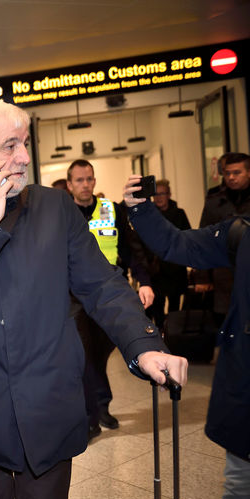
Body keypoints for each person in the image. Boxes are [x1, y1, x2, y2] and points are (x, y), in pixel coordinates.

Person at [0, 100, 188, 499]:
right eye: (10, 146)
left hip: (49, 403)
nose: (24, 156)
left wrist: (144, 344)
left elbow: (103, 284)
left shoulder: (55, 209)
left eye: (25, 143)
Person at [124, 174, 248, 499]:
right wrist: (140, 209)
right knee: (241, 487)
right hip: (245, 388)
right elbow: (177, 244)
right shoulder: (241, 233)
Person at [66, 159, 155, 437]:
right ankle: (91, 415)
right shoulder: (62, 216)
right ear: (69, 185)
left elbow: (131, 250)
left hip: (107, 294)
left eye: (89, 179)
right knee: (83, 356)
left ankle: (100, 406)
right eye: (79, 180)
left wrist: (144, 281)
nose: (85, 184)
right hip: (73, 298)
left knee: (101, 354)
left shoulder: (111, 210)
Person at [195, 152, 250, 324]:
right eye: (227, 173)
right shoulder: (215, 202)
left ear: (248, 172)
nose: (231, 177)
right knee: (228, 325)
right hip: (225, 275)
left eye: (237, 173)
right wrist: (203, 277)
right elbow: (204, 239)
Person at [144, 179, 191, 328]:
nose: (158, 197)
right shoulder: (149, 215)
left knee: (174, 303)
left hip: (175, 265)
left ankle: (173, 331)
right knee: (157, 304)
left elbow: (187, 236)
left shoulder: (179, 213)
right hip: (156, 267)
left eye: (162, 194)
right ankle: (160, 331)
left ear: (169, 195)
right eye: (155, 194)